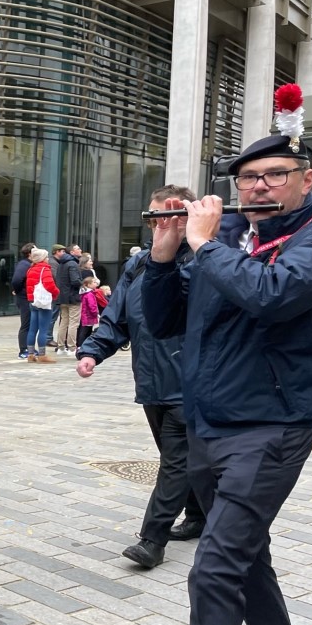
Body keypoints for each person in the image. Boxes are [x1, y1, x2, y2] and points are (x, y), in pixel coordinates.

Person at [124, 105, 312, 625]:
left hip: (272, 429)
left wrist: (203, 245)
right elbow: (162, 320)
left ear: (305, 180)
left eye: (274, 175)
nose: (258, 186)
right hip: (208, 426)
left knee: (214, 569)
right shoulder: (224, 238)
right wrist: (164, 256)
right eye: (248, 178)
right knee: (247, 561)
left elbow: (271, 295)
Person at [76, 183, 207, 571]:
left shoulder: (203, 259)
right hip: (151, 383)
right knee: (177, 457)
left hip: (191, 383)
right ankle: (199, 516)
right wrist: (92, 351)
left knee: (175, 462)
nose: (160, 226)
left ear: (189, 218)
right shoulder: (137, 266)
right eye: (154, 218)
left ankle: (152, 540)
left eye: (171, 217)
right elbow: (116, 317)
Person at [24, 248, 58, 362]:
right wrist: (56, 292)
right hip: (43, 302)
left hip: (33, 300)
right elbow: (49, 285)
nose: (48, 259)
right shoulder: (45, 269)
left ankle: (30, 354)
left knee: (32, 329)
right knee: (43, 329)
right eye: (46, 257)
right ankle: (42, 355)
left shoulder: (31, 269)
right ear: (42, 258)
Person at [52, 243, 82, 352]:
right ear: (72, 252)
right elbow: (75, 281)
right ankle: (72, 347)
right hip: (72, 297)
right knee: (73, 323)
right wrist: (83, 283)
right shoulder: (72, 264)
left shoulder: (61, 263)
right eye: (78, 248)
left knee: (64, 322)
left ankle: (60, 347)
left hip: (62, 297)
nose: (80, 250)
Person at [11, 242, 33, 358]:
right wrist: (19, 291)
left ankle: (29, 348)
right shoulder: (24, 264)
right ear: (30, 253)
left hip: (26, 296)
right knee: (26, 324)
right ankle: (23, 349)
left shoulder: (28, 264)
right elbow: (16, 280)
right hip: (24, 298)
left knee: (29, 323)